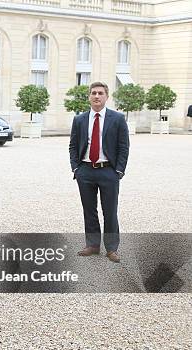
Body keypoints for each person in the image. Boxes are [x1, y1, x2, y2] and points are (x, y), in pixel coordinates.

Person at [69, 81, 130, 263]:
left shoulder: (117, 119)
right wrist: (76, 168)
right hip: (85, 171)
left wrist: (118, 171)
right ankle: (93, 245)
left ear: (106, 96)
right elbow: (73, 145)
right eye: (94, 93)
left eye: (100, 93)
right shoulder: (79, 120)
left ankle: (111, 248)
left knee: (110, 211)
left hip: (108, 171)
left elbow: (123, 147)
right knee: (89, 210)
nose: (97, 96)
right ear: (89, 96)